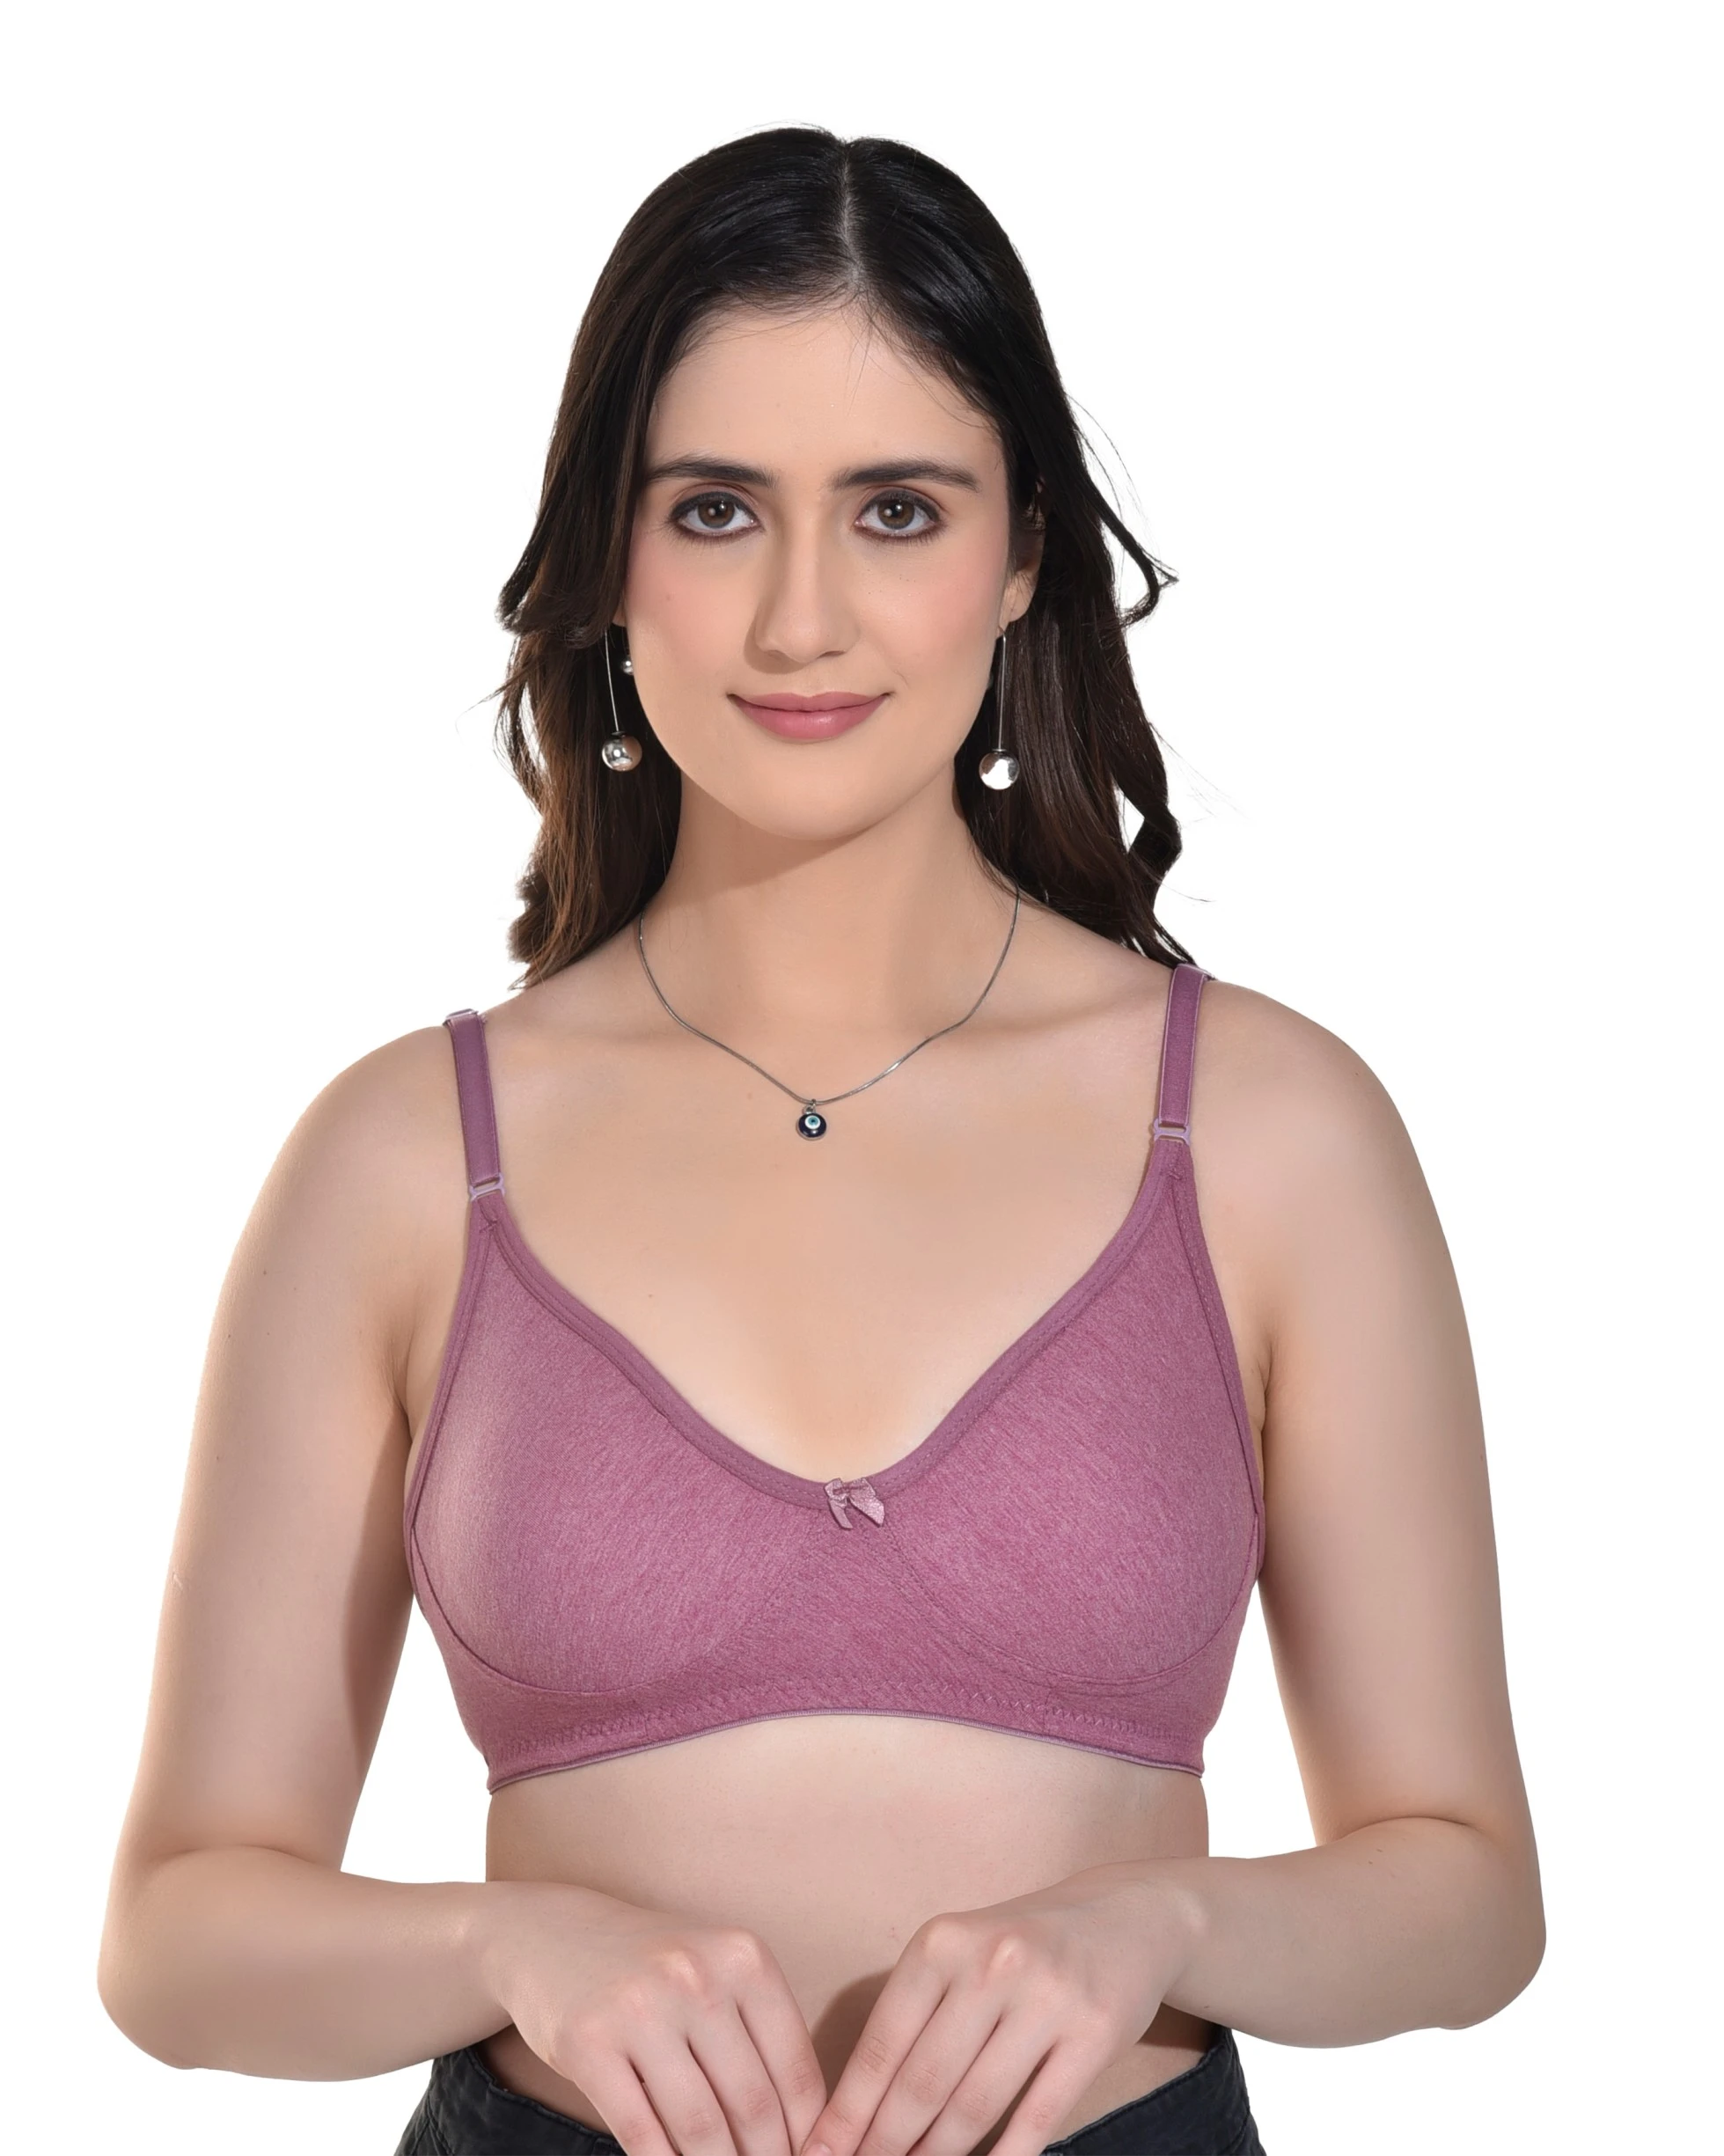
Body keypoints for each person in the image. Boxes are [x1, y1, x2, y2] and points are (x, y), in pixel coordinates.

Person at [96, 128, 1544, 2156]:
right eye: (714, 510)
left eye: (895, 510)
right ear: (609, 559)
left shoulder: (1269, 1132)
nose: (800, 618)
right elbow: (175, 1936)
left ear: (1020, 555)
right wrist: (515, 1944)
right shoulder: (406, 1159)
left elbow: (1465, 1891)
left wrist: (1161, 1919)